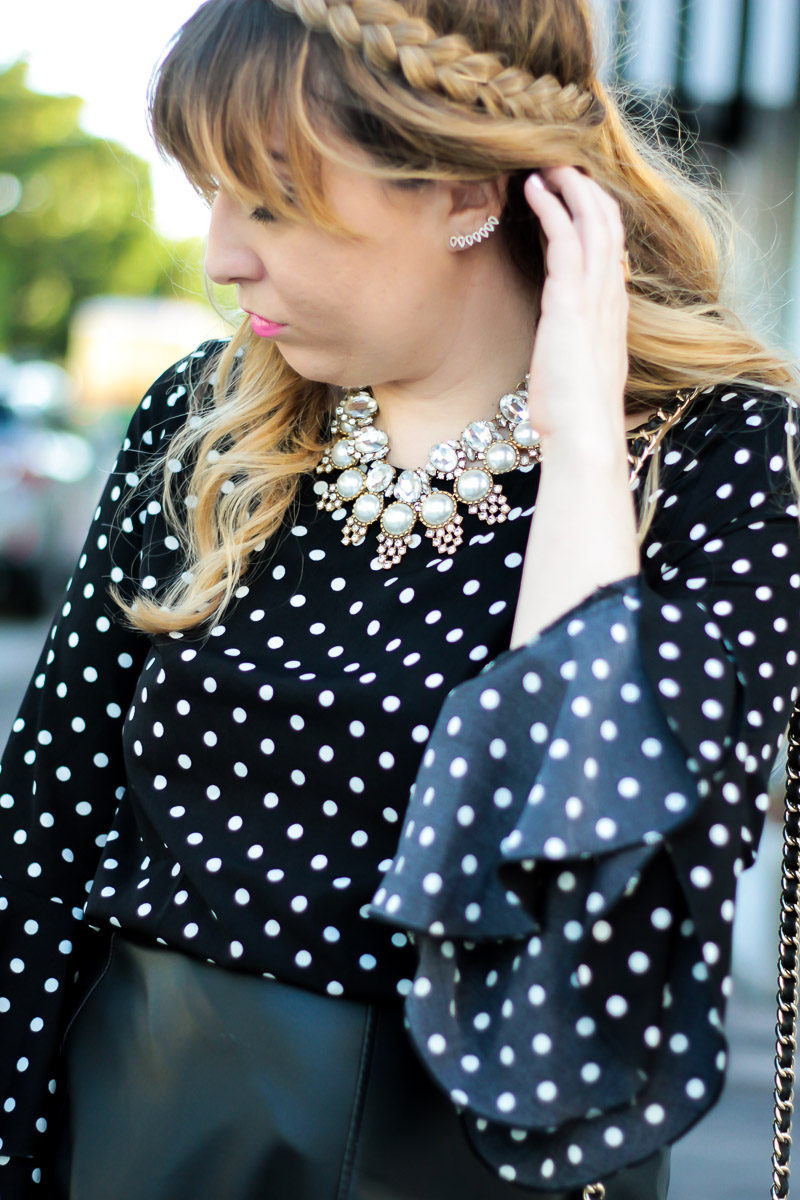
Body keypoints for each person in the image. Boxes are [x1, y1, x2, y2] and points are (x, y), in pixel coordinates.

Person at [1, 0, 798, 1196]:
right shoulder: (202, 425)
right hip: (137, 1134)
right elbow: (44, 837)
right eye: (208, 192)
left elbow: (606, 925)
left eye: (270, 200)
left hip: (482, 1159)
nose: (220, 253)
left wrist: (581, 450)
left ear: (468, 189)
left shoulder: (719, 460)